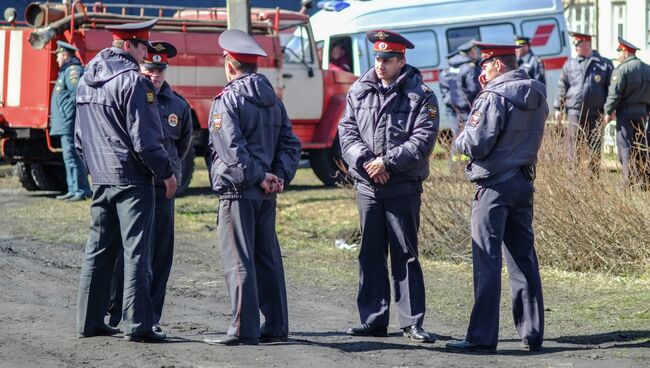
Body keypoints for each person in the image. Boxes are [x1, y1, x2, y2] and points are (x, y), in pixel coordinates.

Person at [75, 19, 176, 343]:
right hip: (132, 179)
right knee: (137, 252)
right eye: (144, 47)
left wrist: (93, 169)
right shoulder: (134, 82)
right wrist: (166, 172)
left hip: (102, 177)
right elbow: (145, 141)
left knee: (98, 249)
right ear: (131, 45)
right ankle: (138, 324)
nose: (146, 53)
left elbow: (79, 138)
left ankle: (89, 321)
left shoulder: (87, 79)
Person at [339, 29, 439, 343]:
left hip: (402, 186)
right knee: (370, 252)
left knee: (405, 254)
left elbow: (423, 140)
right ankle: (373, 319)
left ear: (402, 60)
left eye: (388, 58)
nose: (380, 63)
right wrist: (368, 161)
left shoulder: (421, 94)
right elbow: (346, 132)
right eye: (378, 57)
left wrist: (388, 163)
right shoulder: (359, 89)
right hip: (368, 185)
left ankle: (411, 321)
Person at [446, 42, 547, 352]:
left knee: (486, 261)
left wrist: (459, 140)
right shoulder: (538, 92)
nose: (481, 70)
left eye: (485, 65)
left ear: (499, 66)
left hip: (492, 186)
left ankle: (482, 336)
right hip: (522, 181)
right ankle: (532, 333)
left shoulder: (492, 96)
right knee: (523, 259)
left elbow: (477, 143)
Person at [202, 29, 301, 346]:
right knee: (267, 258)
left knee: (238, 260)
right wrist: (277, 175)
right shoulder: (274, 101)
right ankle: (276, 327)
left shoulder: (226, 100)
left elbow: (231, 149)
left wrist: (260, 176)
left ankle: (244, 328)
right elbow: (291, 144)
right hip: (265, 191)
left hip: (238, 191)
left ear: (230, 65)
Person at [107, 41, 193, 333]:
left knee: (159, 255)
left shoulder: (179, 105)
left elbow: (181, 146)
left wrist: (169, 173)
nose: (155, 74)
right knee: (126, 252)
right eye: (150, 68)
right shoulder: (130, 95)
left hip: (162, 188)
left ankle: (152, 318)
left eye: (160, 69)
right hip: (133, 186)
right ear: (140, 67)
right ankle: (117, 312)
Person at [554, 31, 613, 174]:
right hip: (575, 112)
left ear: (586, 44)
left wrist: (610, 110)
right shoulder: (570, 65)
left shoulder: (604, 64)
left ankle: (593, 180)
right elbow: (562, 86)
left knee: (595, 147)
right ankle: (573, 179)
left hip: (596, 113)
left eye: (577, 44)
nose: (575, 48)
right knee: (573, 148)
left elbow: (611, 89)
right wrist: (558, 108)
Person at [604, 37, 650, 189]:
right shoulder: (647, 68)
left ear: (625, 52)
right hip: (643, 113)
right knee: (642, 146)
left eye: (619, 53)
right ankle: (644, 181)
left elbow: (614, 93)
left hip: (625, 113)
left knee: (625, 146)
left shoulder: (622, 70)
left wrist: (608, 111)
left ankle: (628, 180)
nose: (618, 57)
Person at [49, 40, 92, 201]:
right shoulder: (65, 72)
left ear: (65, 55)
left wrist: (67, 115)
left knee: (72, 156)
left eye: (58, 55)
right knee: (69, 157)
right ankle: (74, 189)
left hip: (69, 123)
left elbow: (77, 96)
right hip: (65, 123)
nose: (57, 59)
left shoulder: (73, 71)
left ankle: (80, 190)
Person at [448, 40, 482, 125]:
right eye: (474, 51)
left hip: (458, 107)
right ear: (470, 52)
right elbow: (474, 89)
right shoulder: (470, 68)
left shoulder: (454, 66)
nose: (476, 53)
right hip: (469, 107)